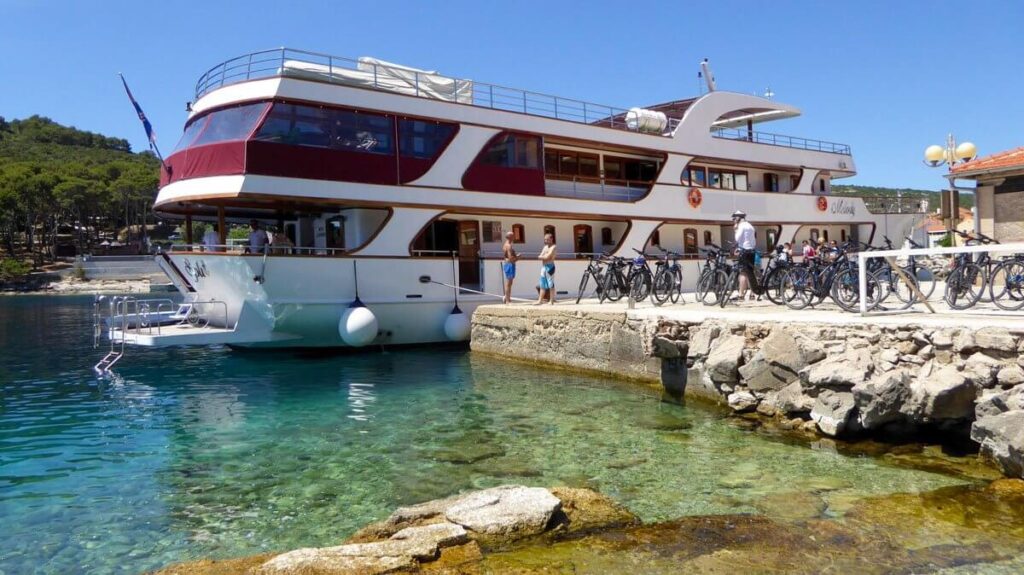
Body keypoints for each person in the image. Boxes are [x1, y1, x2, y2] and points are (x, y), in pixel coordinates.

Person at [732, 210, 758, 301]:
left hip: (744, 251)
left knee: (743, 273)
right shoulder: (750, 226)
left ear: (738, 218)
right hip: (752, 251)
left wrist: (735, 230)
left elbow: (737, 238)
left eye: (734, 218)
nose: (734, 220)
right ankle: (752, 294)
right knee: (750, 273)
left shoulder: (741, 226)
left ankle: (740, 295)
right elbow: (754, 241)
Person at [535, 233, 557, 305]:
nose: (546, 241)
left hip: (550, 267)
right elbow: (540, 256)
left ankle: (551, 300)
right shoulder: (545, 247)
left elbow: (547, 257)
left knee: (550, 284)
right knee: (542, 284)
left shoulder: (553, 247)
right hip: (544, 267)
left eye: (547, 239)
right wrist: (543, 256)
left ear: (551, 239)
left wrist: (543, 256)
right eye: (545, 239)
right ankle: (540, 300)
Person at [501, 231, 518, 304]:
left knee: (509, 283)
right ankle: (507, 300)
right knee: (509, 283)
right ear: (510, 237)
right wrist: (518, 257)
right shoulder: (508, 246)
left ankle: (507, 298)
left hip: (507, 264)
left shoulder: (505, 245)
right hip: (509, 264)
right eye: (513, 236)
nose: (514, 237)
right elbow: (510, 258)